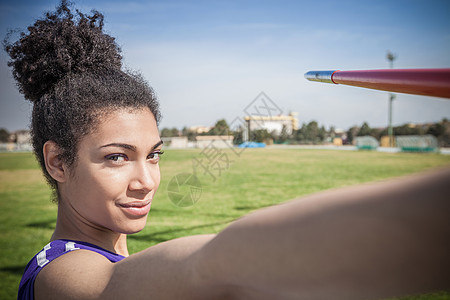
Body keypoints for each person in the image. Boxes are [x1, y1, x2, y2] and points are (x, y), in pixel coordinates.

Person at [5, 1, 449, 299]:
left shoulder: (114, 253)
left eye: (154, 155)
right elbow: (208, 269)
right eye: (117, 157)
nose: (146, 182)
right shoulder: (61, 278)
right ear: (58, 161)